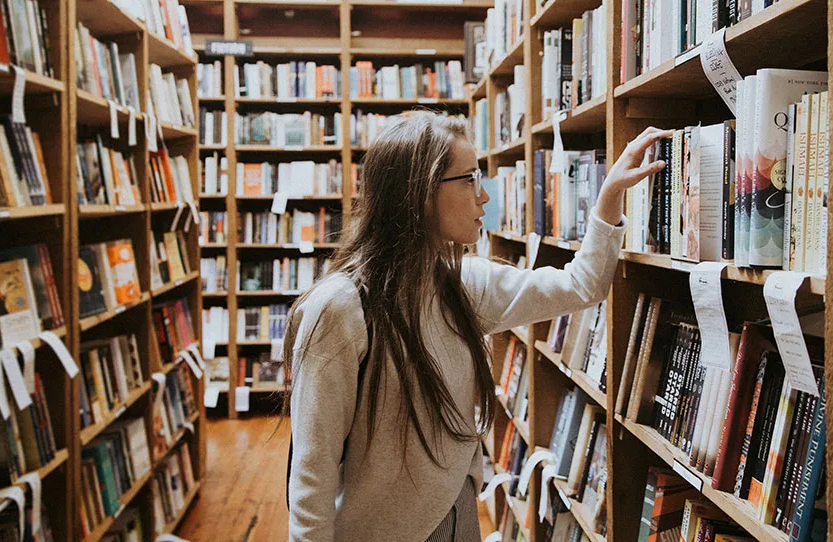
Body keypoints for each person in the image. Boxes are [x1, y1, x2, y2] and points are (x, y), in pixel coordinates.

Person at [283, 111, 672, 541]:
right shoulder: (339, 309)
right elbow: (311, 480)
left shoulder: (464, 284)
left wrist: (609, 198)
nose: (484, 196)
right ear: (419, 193)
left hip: (459, 517)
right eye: (469, 179)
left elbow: (583, 285)